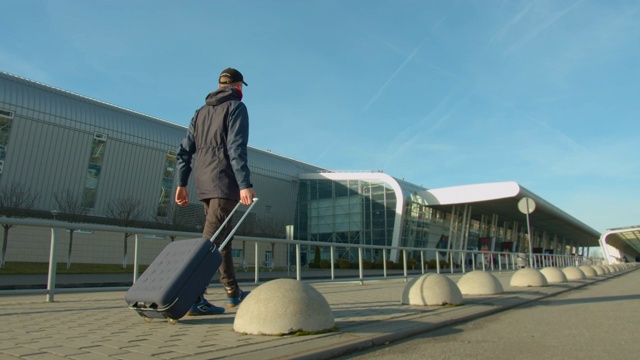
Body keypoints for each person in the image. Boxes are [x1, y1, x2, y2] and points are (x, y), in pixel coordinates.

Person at [175, 67, 257, 316]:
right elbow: (236, 147)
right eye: (242, 86)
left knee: (223, 237)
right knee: (210, 242)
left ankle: (232, 292)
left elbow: (184, 150)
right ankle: (191, 298)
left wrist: (181, 182)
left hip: (204, 182)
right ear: (238, 86)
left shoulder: (200, 113)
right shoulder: (236, 107)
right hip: (224, 181)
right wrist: (244, 183)